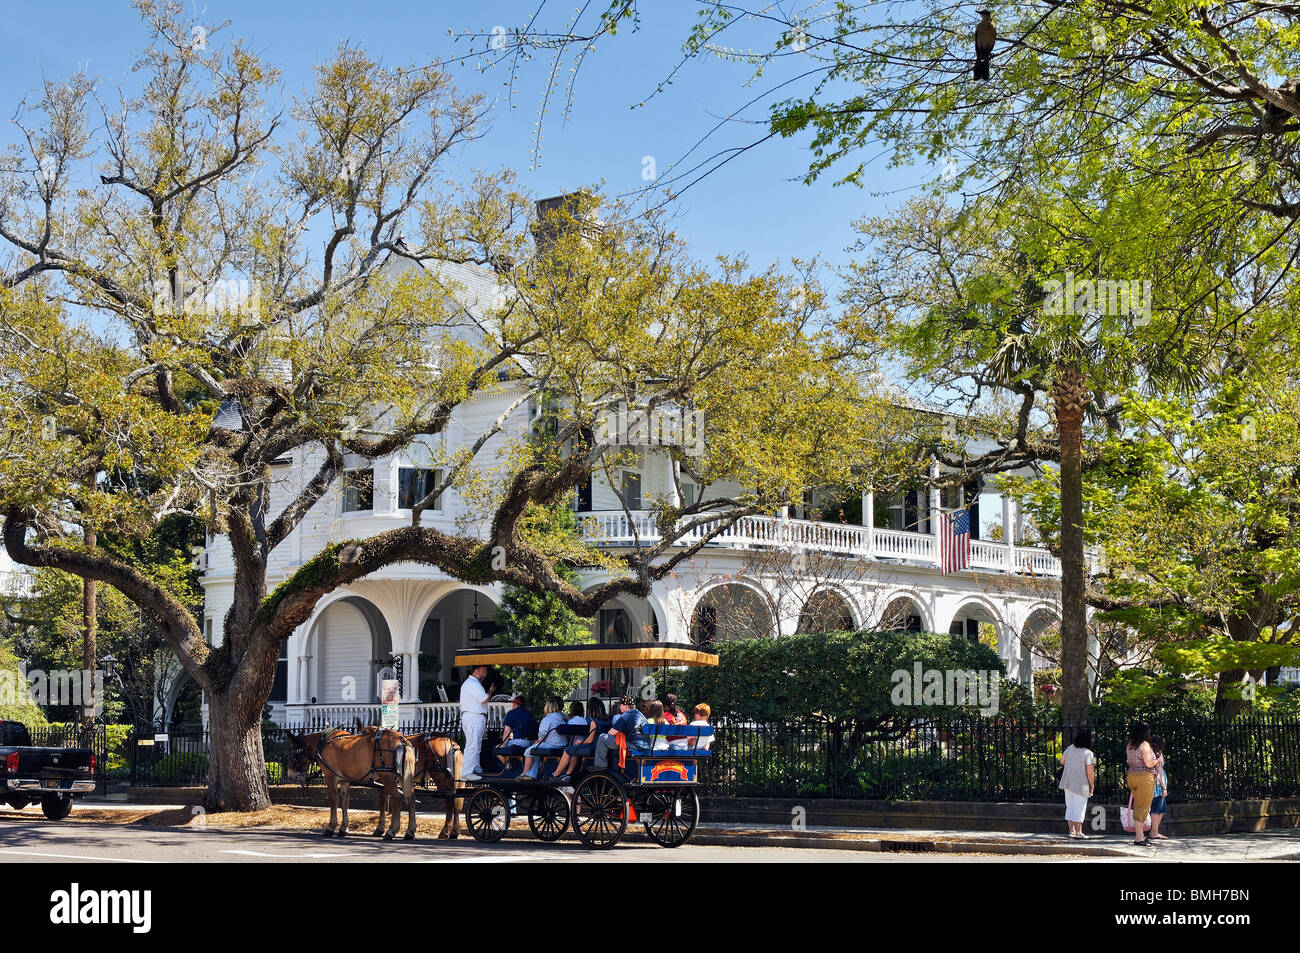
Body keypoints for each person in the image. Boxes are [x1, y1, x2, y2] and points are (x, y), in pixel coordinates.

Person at [551, 698, 606, 783]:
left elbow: (590, 740)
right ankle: (568, 773)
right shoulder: (607, 720)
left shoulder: (594, 722)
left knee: (567, 750)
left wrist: (581, 742)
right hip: (601, 748)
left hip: (593, 747)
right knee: (575, 750)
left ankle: (556, 774)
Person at [1125, 721, 1161, 846]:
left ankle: (1139, 835)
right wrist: (1157, 760)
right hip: (1144, 777)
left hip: (1131, 776)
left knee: (1137, 806)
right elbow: (1148, 763)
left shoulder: (1130, 745)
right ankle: (1139, 837)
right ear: (1146, 732)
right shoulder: (1145, 745)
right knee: (1143, 806)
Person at [591, 694, 650, 770]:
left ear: (625, 706)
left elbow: (611, 733)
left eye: (621, 705)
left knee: (603, 737)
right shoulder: (640, 715)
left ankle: (600, 765)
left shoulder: (625, 716)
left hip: (633, 745)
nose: (619, 707)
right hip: (645, 745)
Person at [1058, 728, 1096, 839]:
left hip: (1068, 782)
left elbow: (1062, 761)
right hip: (1081, 784)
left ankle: (1071, 831)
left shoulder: (1070, 748)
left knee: (1070, 806)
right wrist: (1092, 785)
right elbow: (1090, 773)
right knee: (1080, 807)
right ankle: (1079, 832)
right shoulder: (1088, 753)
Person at [459, 664, 491, 781]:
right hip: (474, 716)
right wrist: (491, 691)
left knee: (476, 744)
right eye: (484, 670)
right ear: (476, 671)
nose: (485, 673)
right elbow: (484, 699)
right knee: (472, 744)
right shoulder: (473, 684)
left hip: (474, 716)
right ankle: (466, 772)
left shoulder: (472, 683)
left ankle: (475, 767)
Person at [521, 697, 565, 780]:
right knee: (536, 753)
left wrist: (538, 741)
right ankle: (531, 775)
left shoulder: (548, 718)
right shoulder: (561, 717)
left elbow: (542, 734)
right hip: (562, 744)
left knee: (529, 751)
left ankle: (525, 774)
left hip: (553, 745)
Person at [496, 694, 538, 769]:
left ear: (515, 704)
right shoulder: (530, 714)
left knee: (497, 749)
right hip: (529, 743)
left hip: (518, 743)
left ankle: (508, 765)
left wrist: (502, 746)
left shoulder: (511, 713)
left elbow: (506, 731)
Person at [1149, 735, 1170, 840]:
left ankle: (1154, 831)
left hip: (1156, 783)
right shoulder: (1156, 755)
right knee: (1157, 808)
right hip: (1158, 784)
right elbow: (1160, 772)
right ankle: (1154, 832)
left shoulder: (1152, 754)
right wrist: (1164, 787)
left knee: (1161, 808)